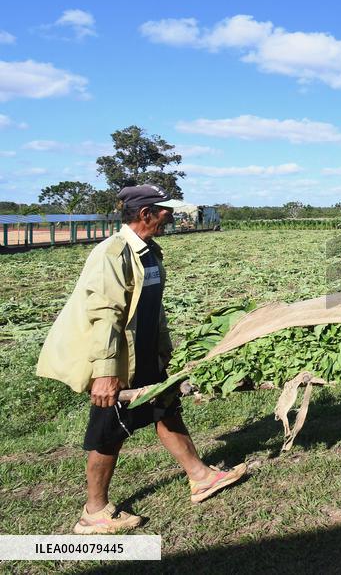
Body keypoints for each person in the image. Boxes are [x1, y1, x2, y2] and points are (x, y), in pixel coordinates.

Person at [36, 184, 247, 534]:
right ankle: (94, 512)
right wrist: (105, 374)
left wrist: (165, 349)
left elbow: (152, 306)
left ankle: (201, 476)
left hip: (146, 354)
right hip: (118, 361)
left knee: (166, 408)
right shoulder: (112, 253)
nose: (171, 215)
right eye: (165, 210)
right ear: (145, 213)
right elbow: (106, 314)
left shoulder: (150, 251)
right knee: (108, 432)